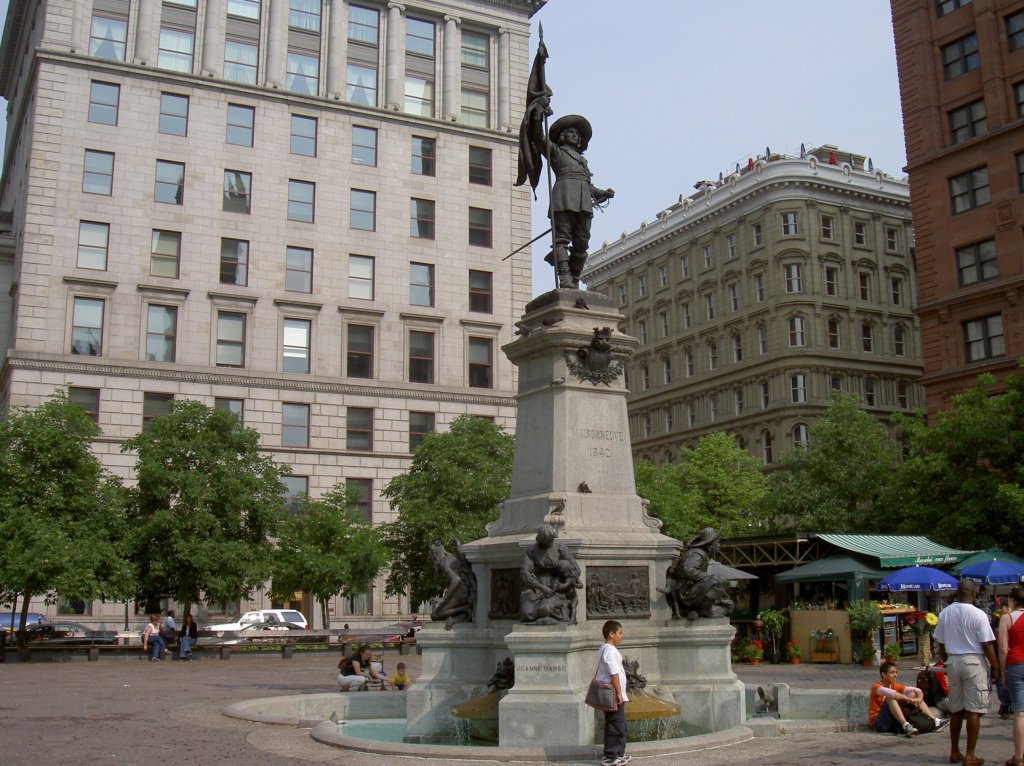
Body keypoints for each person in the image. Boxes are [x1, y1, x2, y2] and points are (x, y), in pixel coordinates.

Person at [935, 578, 998, 766]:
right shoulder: (978, 615)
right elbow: (987, 644)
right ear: (973, 593)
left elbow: (940, 643)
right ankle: (970, 755)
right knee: (974, 710)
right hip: (974, 661)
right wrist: (995, 667)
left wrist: (946, 659)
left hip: (953, 661)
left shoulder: (945, 613)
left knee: (956, 709)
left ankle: (955, 751)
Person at [520, 523, 582, 624]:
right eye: (546, 541)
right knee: (527, 613)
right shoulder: (530, 550)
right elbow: (525, 574)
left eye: (550, 540)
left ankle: (563, 609)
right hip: (536, 588)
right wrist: (542, 588)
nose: (549, 543)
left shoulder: (561, 549)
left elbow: (576, 570)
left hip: (556, 589)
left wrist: (566, 582)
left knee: (545, 609)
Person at [869, 661, 947, 736]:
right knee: (891, 699)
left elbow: (917, 690)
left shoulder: (894, 685)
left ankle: (936, 721)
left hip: (892, 720)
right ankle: (906, 726)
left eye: (896, 672)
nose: (895, 675)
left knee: (913, 694)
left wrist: (919, 698)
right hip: (879, 723)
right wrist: (910, 700)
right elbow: (892, 694)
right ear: (883, 674)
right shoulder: (876, 687)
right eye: (892, 673)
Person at [596, 620, 629, 766]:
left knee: (617, 722)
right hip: (613, 694)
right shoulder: (609, 650)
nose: (622, 636)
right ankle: (611, 756)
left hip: (612, 693)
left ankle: (618, 753)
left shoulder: (605, 649)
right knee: (615, 724)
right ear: (611, 634)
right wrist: (619, 693)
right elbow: (614, 673)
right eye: (620, 633)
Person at [999, 585, 1024, 765]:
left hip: (1015, 664)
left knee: (1020, 713)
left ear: (1012, 600)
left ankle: (1018, 756)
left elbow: (1003, 648)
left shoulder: (1007, 618)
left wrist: (1002, 672)